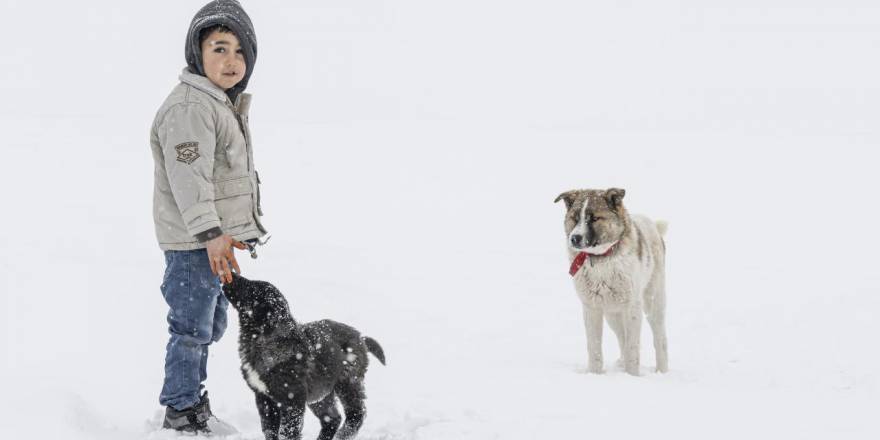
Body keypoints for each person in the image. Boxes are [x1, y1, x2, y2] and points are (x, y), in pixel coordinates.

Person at [149, 0, 267, 433]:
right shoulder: (190, 108)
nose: (231, 61)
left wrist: (238, 231)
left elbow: (228, 177)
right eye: (219, 48)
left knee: (209, 324)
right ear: (197, 53)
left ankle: (193, 400)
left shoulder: (220, 103)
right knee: (191, 328)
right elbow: (189, 180)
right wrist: (212, 233)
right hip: (194, 243)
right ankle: (182, 410)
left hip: (214, 241)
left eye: (239, 51)